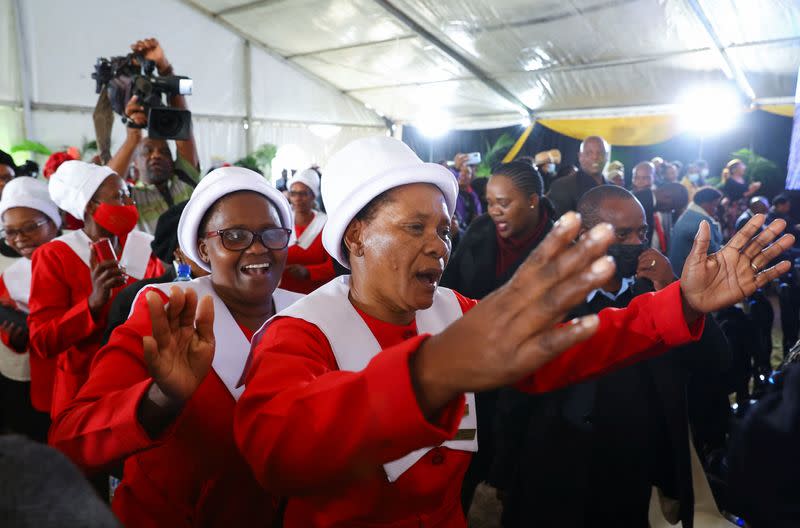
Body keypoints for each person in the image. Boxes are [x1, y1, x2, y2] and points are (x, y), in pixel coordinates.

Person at [233, 136, 791, 527]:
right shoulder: (300, 331)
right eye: (414, 227)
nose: (439, 245)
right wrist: (431, 372)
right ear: (354, 236)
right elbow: (276, 448)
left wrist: (683, 302)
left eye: (445, 230)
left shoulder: (453, 309)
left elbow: (571, 344)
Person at [49, 167, 303, 527]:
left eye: (272, 234)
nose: (258, 248)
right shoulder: (166, 315)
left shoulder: (309, 315)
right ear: (203, 248)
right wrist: (161, 398)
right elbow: (70, 438)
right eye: (234, 236)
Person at [494, 185, 732, 528]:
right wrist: (503, 471)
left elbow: (717, 362)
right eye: (622, 233)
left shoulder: (655, 294)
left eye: (642, 232)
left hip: (629, 472)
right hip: (552, 469)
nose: (637, 242)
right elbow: (514, 390)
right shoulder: (547, 294)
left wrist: (677, 293)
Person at [440, 161, 555, 511]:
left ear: (534, 200)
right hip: (472, 380)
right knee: (462, 474)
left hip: (531, 388)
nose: (494, 211)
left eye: (504, 203)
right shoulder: (480, 230)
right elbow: (448, 291)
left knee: (521, 489)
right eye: (490, 202)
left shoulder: (563, 246)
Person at [28, 161, 163, 418]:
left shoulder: (146, 247)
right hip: (84, 387)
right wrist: (91, 304)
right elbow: (42, 341)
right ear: (91, 206)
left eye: (128, 195)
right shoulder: (55, 255)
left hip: (142, 383)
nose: (128, 203)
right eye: (118, 196)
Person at [106, 38, 200, 234]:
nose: (156, 156)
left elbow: (182, 127)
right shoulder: (130, 198)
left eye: (164, 152)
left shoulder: (185, 182)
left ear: (174, 161)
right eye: (147, 151)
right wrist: (133, 137)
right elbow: (106, 185)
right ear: (134, 164)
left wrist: (165, 69)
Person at [0, 177, 61, 440]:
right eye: (10, 232)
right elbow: (7, 327)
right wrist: (14, 337)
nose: (20, 239)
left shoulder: (80, 256)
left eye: (30, 228)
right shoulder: (11, 275)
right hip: (42, 379)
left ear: (53, 223)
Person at [101, 201, 209, 345]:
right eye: (200, 242)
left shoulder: (233, 289)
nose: (211, 250)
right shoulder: (135, 298)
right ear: (178, 252)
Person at [281, 168, 335, 294]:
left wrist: (308, 271)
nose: (298, 198)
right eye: (293, 193)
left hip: (315, 294)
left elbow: (334, 266)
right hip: (283, 293)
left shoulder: (325, 224)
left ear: (313, 196)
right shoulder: (282, 222)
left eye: (303, 193)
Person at [547, 136, 609, 216]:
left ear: (607, 156)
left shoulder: (615, 189)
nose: (595, 157)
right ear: (580, 156)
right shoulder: (562, 186)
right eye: (589, 153)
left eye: (600, 153)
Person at [669, 187, 723, 277]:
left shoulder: (688, 214)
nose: (716, 210)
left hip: (677, 270)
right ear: (706, 204)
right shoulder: (701, 222)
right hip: (687, 275)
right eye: (715, 205)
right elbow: (714, 252)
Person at [633, 182, 689, 252]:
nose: (669, 211)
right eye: (672, 208)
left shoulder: (647, 199)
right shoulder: (642, 206)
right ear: (667, 196)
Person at [721, 159, 761, 239]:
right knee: (734, 229)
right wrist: (750, 191)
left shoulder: (743, 180)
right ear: (735, 169)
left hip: (744, 207)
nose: (744, 167)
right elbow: (732, 196)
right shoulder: (730, 180)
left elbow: (744, 192)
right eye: (741, 166)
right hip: (734, 209)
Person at [452, 153, 482, 229]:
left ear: (471, 177)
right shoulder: (452, 192)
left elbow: (478, 216)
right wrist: (455, 168)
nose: (463, 174)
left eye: (467, 172)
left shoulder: (473, 196)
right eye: (461, 171)